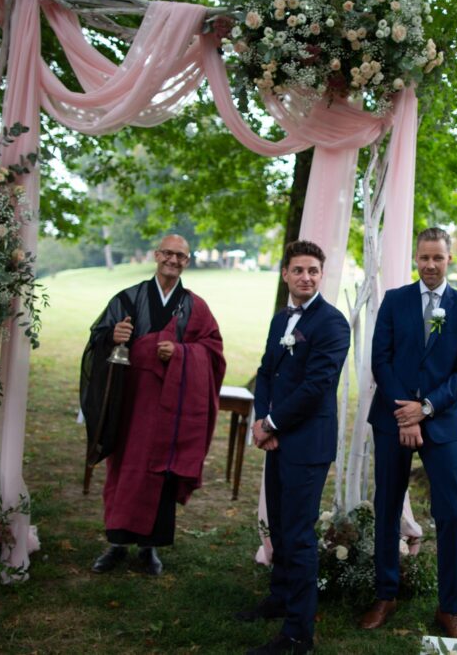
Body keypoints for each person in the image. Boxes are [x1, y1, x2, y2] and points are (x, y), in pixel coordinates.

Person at [358, 227, 457, 639]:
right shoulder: (395, 301)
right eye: (424, 257)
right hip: (392, 418)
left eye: (438, 258)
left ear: (450, 260)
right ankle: (385, 593)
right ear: (416, 258)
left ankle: (449, 609)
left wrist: (425, 409)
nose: (430, 265)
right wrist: (404, 414)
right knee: (387, 506)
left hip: (440, 423)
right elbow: (381, 359)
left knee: (450, 513)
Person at [81, 234, 225, 576]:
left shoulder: (195, 306)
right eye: (168, 253)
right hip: (130, 402)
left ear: (187, 262)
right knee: (124, 468)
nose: (173, 260)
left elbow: (214, 351)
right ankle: (116, 542)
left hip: (170, 405)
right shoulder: (127, 298)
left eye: (181, 256)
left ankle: (149, 548)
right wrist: (110, 337)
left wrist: (181, 353)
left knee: (160, 469)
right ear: (157, 255)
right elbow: (97, 338)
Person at [238, 240, 350, 655]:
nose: (306, 277)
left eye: (313, 271)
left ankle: (298, 633)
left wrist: (274, 422)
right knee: (281, 526)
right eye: (298, 270)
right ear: (285, 274)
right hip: (277, 438)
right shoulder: (279, 319)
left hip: (306, 444)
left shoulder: (333, 324)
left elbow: (316, 386)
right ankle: (280, 597)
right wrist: (261, 419)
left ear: (322, 276)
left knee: (300, 535)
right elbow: (266, 372)